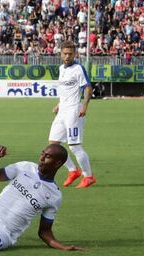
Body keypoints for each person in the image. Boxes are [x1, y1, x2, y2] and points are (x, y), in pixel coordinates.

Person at [48, 40, 96, 188]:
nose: (67, 56)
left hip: (74, 110)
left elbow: (88, 88)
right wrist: (59, 104)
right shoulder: (62, 68)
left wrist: (85, 106)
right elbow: (64, 91)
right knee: (53, 145)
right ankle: (73, 170)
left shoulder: (78, 69)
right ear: (60, 54)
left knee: (74, 146)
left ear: (75, 54)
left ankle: (88, 176)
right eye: (64, 53)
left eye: (70, 54)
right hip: (62, 110)